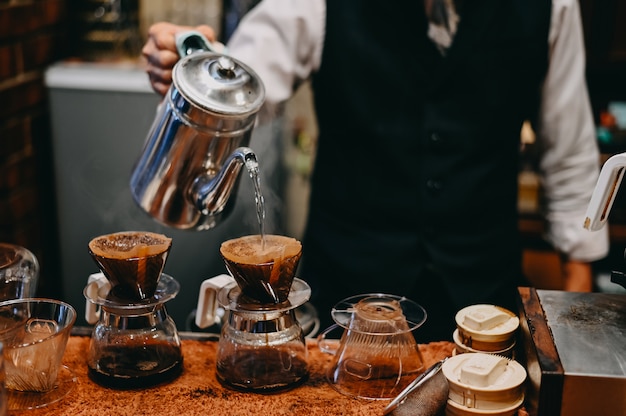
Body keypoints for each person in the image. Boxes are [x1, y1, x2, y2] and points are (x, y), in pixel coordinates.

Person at [142, 0, 609, 342]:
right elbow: (242, 84)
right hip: (346, 293)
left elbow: (569, 157)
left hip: (484, 302)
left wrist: (577, 317)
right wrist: (194, 67)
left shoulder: (552, 8)